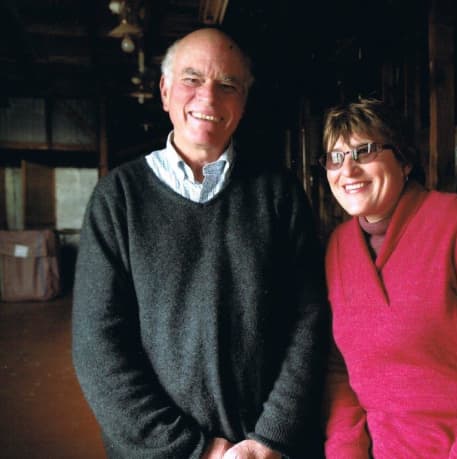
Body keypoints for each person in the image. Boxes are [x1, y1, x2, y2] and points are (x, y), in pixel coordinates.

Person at [72, 27, 328, 459]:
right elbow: (98, 348)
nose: (208, 98)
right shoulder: (117, 198)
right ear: (165, 90)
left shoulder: (279, 194)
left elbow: (309, 321)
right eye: (192, 79)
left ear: (243, 105)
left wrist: (271, 438)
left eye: (227, 85)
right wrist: (195, 450)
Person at [319, 98, 457, 458]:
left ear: (405, 160)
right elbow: (337, 370)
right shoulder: (337, 247)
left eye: (365, 151)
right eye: (336, 157)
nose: (348, 170)